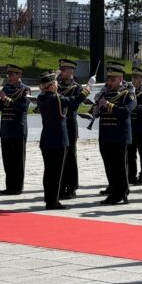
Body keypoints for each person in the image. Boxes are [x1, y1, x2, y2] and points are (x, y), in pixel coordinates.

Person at [37, 71, 92, 209]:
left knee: (48, 172)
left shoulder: (41, 97)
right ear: (51, 86)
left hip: (46, 140)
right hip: (58, 140)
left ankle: (48, 198)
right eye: (55, 83)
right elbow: (76, 99)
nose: (57, 86)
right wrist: (89, 87)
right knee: (56, 173)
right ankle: (53, 201)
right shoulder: (56, 98)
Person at [94, 64, 135, 205]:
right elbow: (100, 111)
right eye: (108, 79)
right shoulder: (105, 92)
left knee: (119, 166)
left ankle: (121, 193)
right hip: (105, 134)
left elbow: (126, 112)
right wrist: (96, 108)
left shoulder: (128, 93)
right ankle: (114, 190)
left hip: (119, 135)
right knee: (109, 165)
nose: (109, 82)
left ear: (120, 79)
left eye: (112, 80)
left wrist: (109, 105)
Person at [0, 65, 30, 195]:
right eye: (8, 74)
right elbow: (1, 108)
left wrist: (5, 98)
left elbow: (22, 108)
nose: (9, 77)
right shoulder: (6, 88)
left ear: (19, 75)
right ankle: (9, 186)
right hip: (6, 129)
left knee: (18, 160)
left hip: (18, 130)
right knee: (7, 160)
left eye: (11, 74)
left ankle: (17, 187)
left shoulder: (25, 90)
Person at [56, 59, 82, 199]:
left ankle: (72, 186)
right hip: (58, 126)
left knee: (70, 157)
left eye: (65, 69)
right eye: (61, 69)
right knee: (60, 157)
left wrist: (58, 99)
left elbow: (74, 104)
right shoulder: (56, 86)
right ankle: (61, 185)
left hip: (69, 125)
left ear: (71, 71)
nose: (62, 72)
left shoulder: (77, 88)